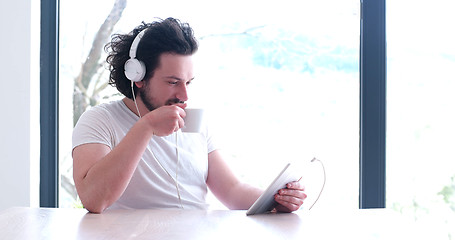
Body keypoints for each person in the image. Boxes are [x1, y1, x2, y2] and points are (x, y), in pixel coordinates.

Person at [72, 17, 307, 213]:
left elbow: (233, 190)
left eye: (188, 82)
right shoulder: (99, 120)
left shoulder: (195, 122)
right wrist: (146, 127)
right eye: (173, 82)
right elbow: (94, 200)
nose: (184, 94)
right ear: (138, 76)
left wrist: (275, 201)